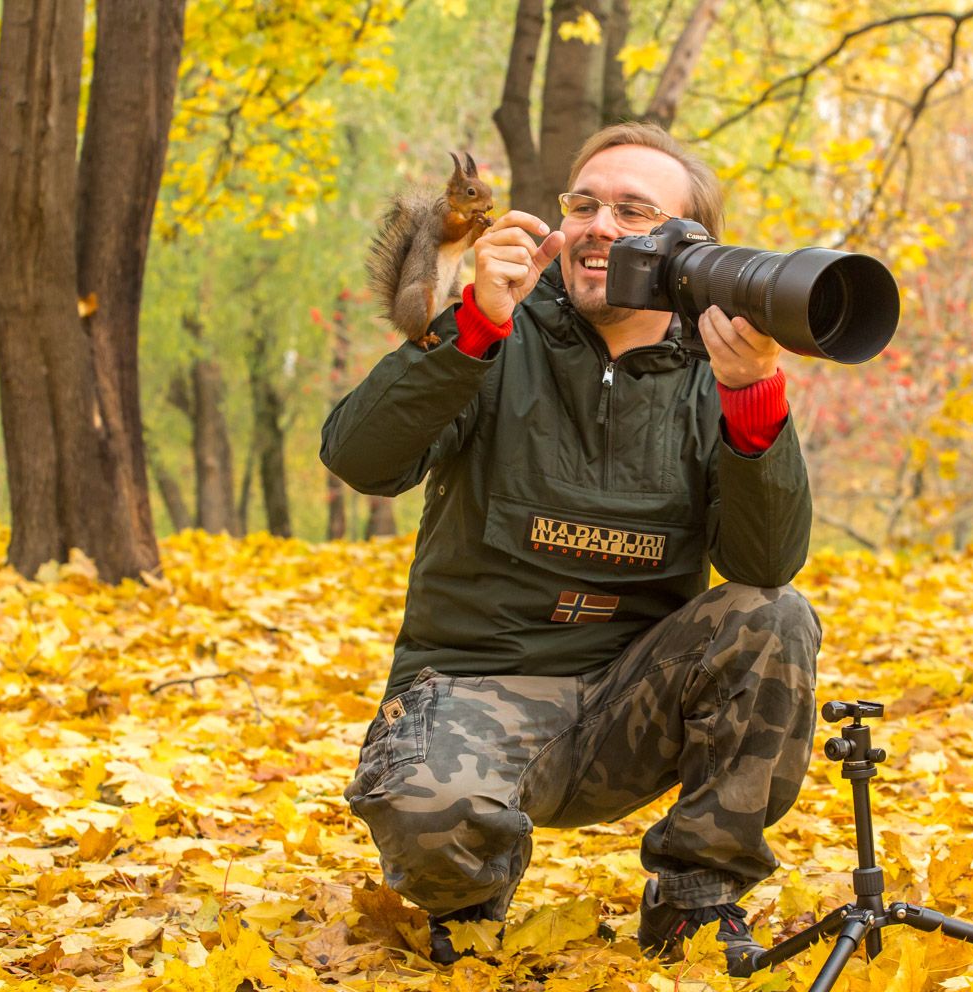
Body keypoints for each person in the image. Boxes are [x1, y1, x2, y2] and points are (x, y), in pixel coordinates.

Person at [321, 122, 820, 976]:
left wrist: (752, 398)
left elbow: (762, 567)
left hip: (632, 708)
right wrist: (469, 330)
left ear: (686, 245)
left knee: (775, 616)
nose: (600, 225)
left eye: (634, 210)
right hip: (477, 689)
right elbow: (360, 460)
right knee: (430, 811)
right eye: (583, 205)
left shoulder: (717, 369)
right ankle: (473, 892)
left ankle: (695, 895)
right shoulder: (492, 330)